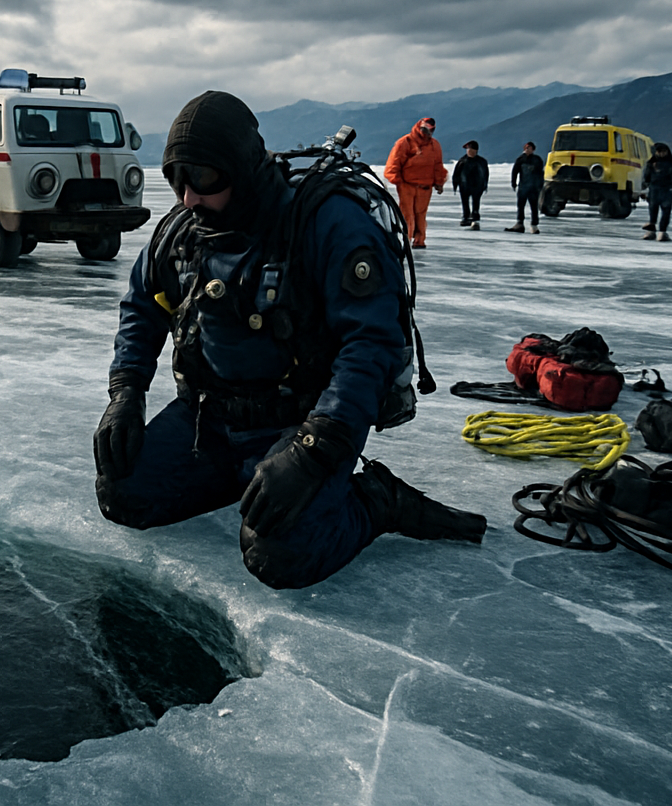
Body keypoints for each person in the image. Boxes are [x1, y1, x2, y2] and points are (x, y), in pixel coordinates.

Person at [93, 91, 484, 590]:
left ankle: (376, 503)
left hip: (303, 423)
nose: (189, 196)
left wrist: (314, 449)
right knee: (123, 492)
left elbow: (370, 344)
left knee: (277, 554)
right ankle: (243, 478)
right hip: (210, 419)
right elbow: (142, 307)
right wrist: (126, 392)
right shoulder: (183, 231)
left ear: (241, 166)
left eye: (205, 177)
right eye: (176, 178)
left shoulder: (324, 223)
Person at [382, 117, 446, 249]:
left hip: (425, 187)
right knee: (407, 214)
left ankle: (419, 240)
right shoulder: (405, 142)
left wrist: (439, 182)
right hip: (407, 185)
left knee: (420, 214)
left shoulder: (435, 145)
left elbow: (438, 165)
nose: (426, 133)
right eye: (424, 129)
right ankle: (405, 239)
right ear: (419, 127)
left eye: (430, 130)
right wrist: (397, 180)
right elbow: (394, 162)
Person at [640, 142, 672, 242]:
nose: (661, 154)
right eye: (659, 152)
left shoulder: (671, 163)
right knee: (653, 210)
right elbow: (646, 177)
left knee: (665, 212)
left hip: (666, 190)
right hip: (655, 189)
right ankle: (652, 231)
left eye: (663, 152)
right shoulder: (652, 162)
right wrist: (644, 188)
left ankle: (662, 231)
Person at [506, 141, 545, 234]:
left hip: (534, 188)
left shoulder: (537, 160)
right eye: (526, 148)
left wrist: (540, 185)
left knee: (534, 206)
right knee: (520, 206)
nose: (528, 150)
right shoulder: (520, 159)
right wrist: (513, 182)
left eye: (530, 148)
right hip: (523, 187)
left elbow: (541, 174)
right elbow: (515, 171)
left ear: (533, 149)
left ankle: (534, 225)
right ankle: (520, 223)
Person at [451, 140, 489, 230]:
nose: (469, 152)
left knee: (476, 202)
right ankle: (466, 217)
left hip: (477, 186)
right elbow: (456, 174)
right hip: (464, 186)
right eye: (468, 150)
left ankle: (475, 216)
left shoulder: (482, 162)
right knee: (465, 203)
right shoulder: (462, 161)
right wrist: (455, 184)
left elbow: (486, 174)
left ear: (476, 151)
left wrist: (485, 184)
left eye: (471, 150)